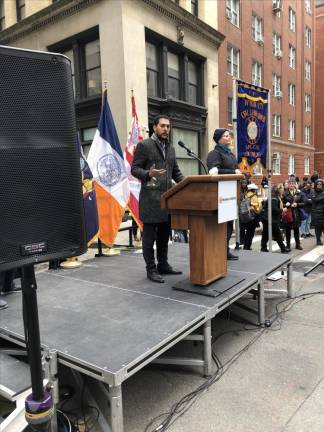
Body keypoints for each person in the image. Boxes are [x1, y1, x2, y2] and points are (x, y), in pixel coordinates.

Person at [131, 115, 184, 283]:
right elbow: (134, 169)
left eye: (168, 126)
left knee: (164, 235)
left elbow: (175, 171)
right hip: (150, 199)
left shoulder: (171, 148)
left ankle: (163, 265)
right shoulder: (144, 145)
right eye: (162, 126)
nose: (166, 129)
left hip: (167, 200)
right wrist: (148, 174)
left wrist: (189, 184)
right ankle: (151, 269)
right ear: (154, 127)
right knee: (149, 238)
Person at [206, 128, 241, 260]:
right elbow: (214, 172)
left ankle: (225, 249)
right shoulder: (214, 154)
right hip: (220, 195)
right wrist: (234, 173)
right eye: (226, 136)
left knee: (229, 225)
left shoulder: (231, 155)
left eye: (229, 136)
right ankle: (218, 250)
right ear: (219, 139)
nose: (229, 137)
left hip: (230, 194)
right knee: (221, 226)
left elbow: (236, 169)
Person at [260, 185, 290, 253]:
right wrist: (282, 210)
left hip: (266, 218)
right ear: (278, 191)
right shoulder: (274, 198)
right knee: (277, 234)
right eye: (282, 189)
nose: (283, 191)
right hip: (271, 219)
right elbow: (274, 209)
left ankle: (263, 247)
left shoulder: (273, 197)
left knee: (265, 234)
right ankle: (283, 249)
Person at [282, 179, 303, 251]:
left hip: (296, 214)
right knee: (288, 231)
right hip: (288, 214)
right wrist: (288, 205)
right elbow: (281, 204)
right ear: (288, 185)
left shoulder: (299, 192)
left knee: (296, 230)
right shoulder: (284, 193)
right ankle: (288, 245)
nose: (291, 185)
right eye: (290, 183)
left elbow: (304, 202)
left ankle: (298, 244)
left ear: (294, 184)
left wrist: (297, 204)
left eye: (292, 184)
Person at [240, 183, 262, 250]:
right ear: (254, 190)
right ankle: (247, 247)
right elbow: (257, 208)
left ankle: (246, 246)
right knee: (251, 233)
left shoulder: (246, 195)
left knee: (248, 233)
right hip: (252, 217)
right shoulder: (254, 196)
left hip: (246, 216)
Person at [310, 179, 324, 245]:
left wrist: (320, 198)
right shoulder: (312, 191)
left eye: (320, 184)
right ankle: (318, 240)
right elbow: (315, 199)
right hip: (316, 213)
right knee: (317, 228)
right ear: (316, 184)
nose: (319, 185)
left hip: (322, 212)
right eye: (318, 184)